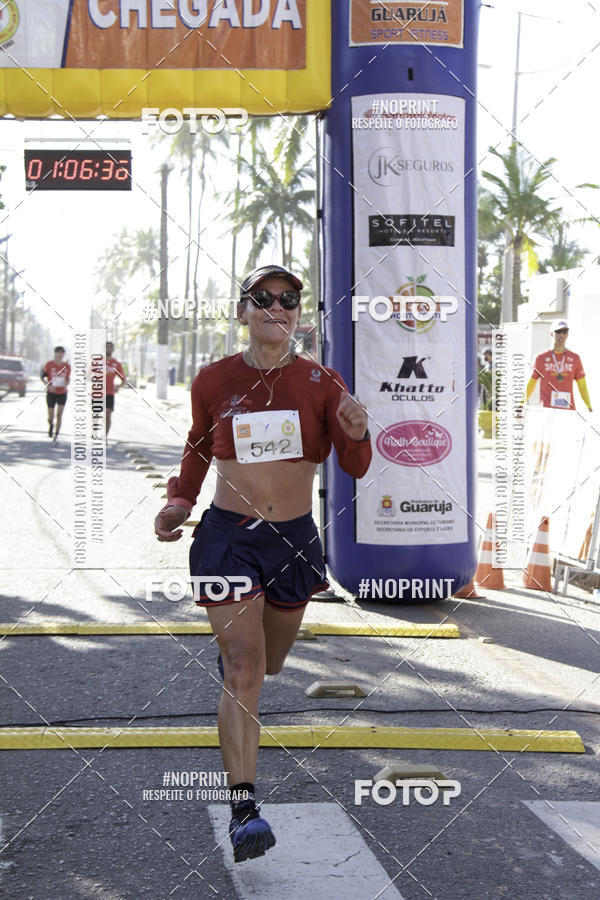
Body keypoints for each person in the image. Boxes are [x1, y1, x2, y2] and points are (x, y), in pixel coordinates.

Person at [153, 264, 371, 863]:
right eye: (264, 297)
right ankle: (244, 806)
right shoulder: (214, 379)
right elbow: (199, 445)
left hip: (294, 543)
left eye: (290, 299)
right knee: (243, 668)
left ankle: (240, 656)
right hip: (229, 538)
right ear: (243, 309)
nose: (279, 306)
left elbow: (355, 465)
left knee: (269, 666)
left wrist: (358, 432)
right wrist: (178, 501)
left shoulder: (322, 380)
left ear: (299, 313)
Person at [526, 319, 592, 412]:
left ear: (567, 334)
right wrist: (521, 403)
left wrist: (588, 405)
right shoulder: (540, 358)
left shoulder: (575, 358)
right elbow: (531, 383)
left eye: (565, 331)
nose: (561, 335)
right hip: (547, 410)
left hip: (568, 411)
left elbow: (582, 385)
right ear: (551, 334)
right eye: (558, 331)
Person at [41, 346, 71, 441]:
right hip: (51, 392)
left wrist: (66, 383)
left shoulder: (67, 366)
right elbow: (42, 376)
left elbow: (68, 378)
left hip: (62, 392)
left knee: (59, 414)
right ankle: (51, 424)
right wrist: (48, 385)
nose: (60, 354)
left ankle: (56, 434)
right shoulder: (49, 364)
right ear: (55, 353)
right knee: (51, 415)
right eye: (58, 352)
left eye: (62, 352)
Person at [104, 341, 126, 435]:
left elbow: (123, 379)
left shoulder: (116, 364)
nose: (108, 349)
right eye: (106, 347)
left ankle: (104, 437)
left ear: (113, 350)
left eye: (110, 347)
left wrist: (119, 386)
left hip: (110, 393)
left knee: (108, 414)